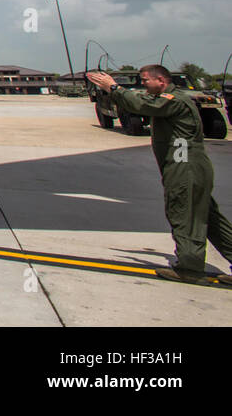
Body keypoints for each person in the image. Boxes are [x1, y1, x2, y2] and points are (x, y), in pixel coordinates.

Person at [87, 64, 232, 285]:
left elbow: (141, 105)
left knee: (183, 212)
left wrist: (113, 88)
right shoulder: (172, 98)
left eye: (145, 81)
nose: (143, 85)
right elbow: (142, 103)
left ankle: (190, 268)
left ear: (161, 81)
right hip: (190, 164)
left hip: (184, 165)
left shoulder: (172, 99)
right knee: (209, 219)